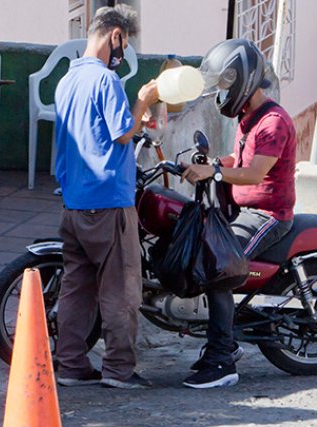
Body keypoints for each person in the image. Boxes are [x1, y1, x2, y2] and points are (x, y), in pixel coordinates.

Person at [53, 4, 159, 390]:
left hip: (74, 203)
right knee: (120, 289)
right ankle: (118, 369)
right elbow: (122, 134)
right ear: (115, 35)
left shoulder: (67, 81)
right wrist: (144, 100)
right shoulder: (106, 81)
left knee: (76, 289)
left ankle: (71, 365)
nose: (123, 52)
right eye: (124, 44)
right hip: (108, 202)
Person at [180, 38, 297, 389]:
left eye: (226, 84)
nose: (222, 92)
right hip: (243, 210)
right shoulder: (249, 117)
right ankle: (223, 343)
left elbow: (254, 174)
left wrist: (214, 173)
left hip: (268, 214)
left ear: (244, 81)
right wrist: (212, 163)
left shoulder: (273, 122)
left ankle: (222, 361)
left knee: (221, 267)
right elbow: (239, 162)